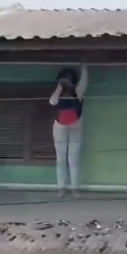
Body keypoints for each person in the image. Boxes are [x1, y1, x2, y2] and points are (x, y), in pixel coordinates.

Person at [49, 63, 88, 198]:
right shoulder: (58, 93)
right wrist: (60, 87)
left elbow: (83, 83)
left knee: (73, 159)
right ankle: (61, 187)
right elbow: (52, 102)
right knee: (61, 159)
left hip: (75, 126)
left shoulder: (77, 92)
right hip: (60, 126)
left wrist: (84, 67)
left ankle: (75, 188)